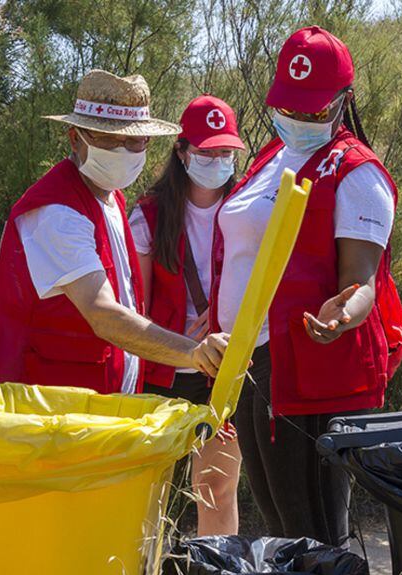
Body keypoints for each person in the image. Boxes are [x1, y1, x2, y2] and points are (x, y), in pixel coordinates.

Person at [209, 26, 402, 546]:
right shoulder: (271, 157)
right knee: (280, 525)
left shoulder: (357, 174)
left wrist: (343, 313)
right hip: (254, 365)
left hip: (311, 374)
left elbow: (360, 280)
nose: (299, 121)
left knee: (314, 530)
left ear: (344, 102)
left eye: (315, 111)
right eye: (290, 108)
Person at [0, 70, 229, 393]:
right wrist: (190, 352)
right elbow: (103, 314)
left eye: (135, 140)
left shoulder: (109, 198)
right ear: (75, 138)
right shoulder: (57, 213)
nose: (124, 149)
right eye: (109, 138)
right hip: (47, 415)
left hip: (93, 410)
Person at [128, 95, 245, 536]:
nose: (217, 161)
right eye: (206, 151)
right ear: (181, 152)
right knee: (148, 494)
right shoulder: (149, 215)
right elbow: (135, 307)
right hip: (163, 372)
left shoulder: (247, 208)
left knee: (216, 488)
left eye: (226, 152)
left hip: (221, 371)